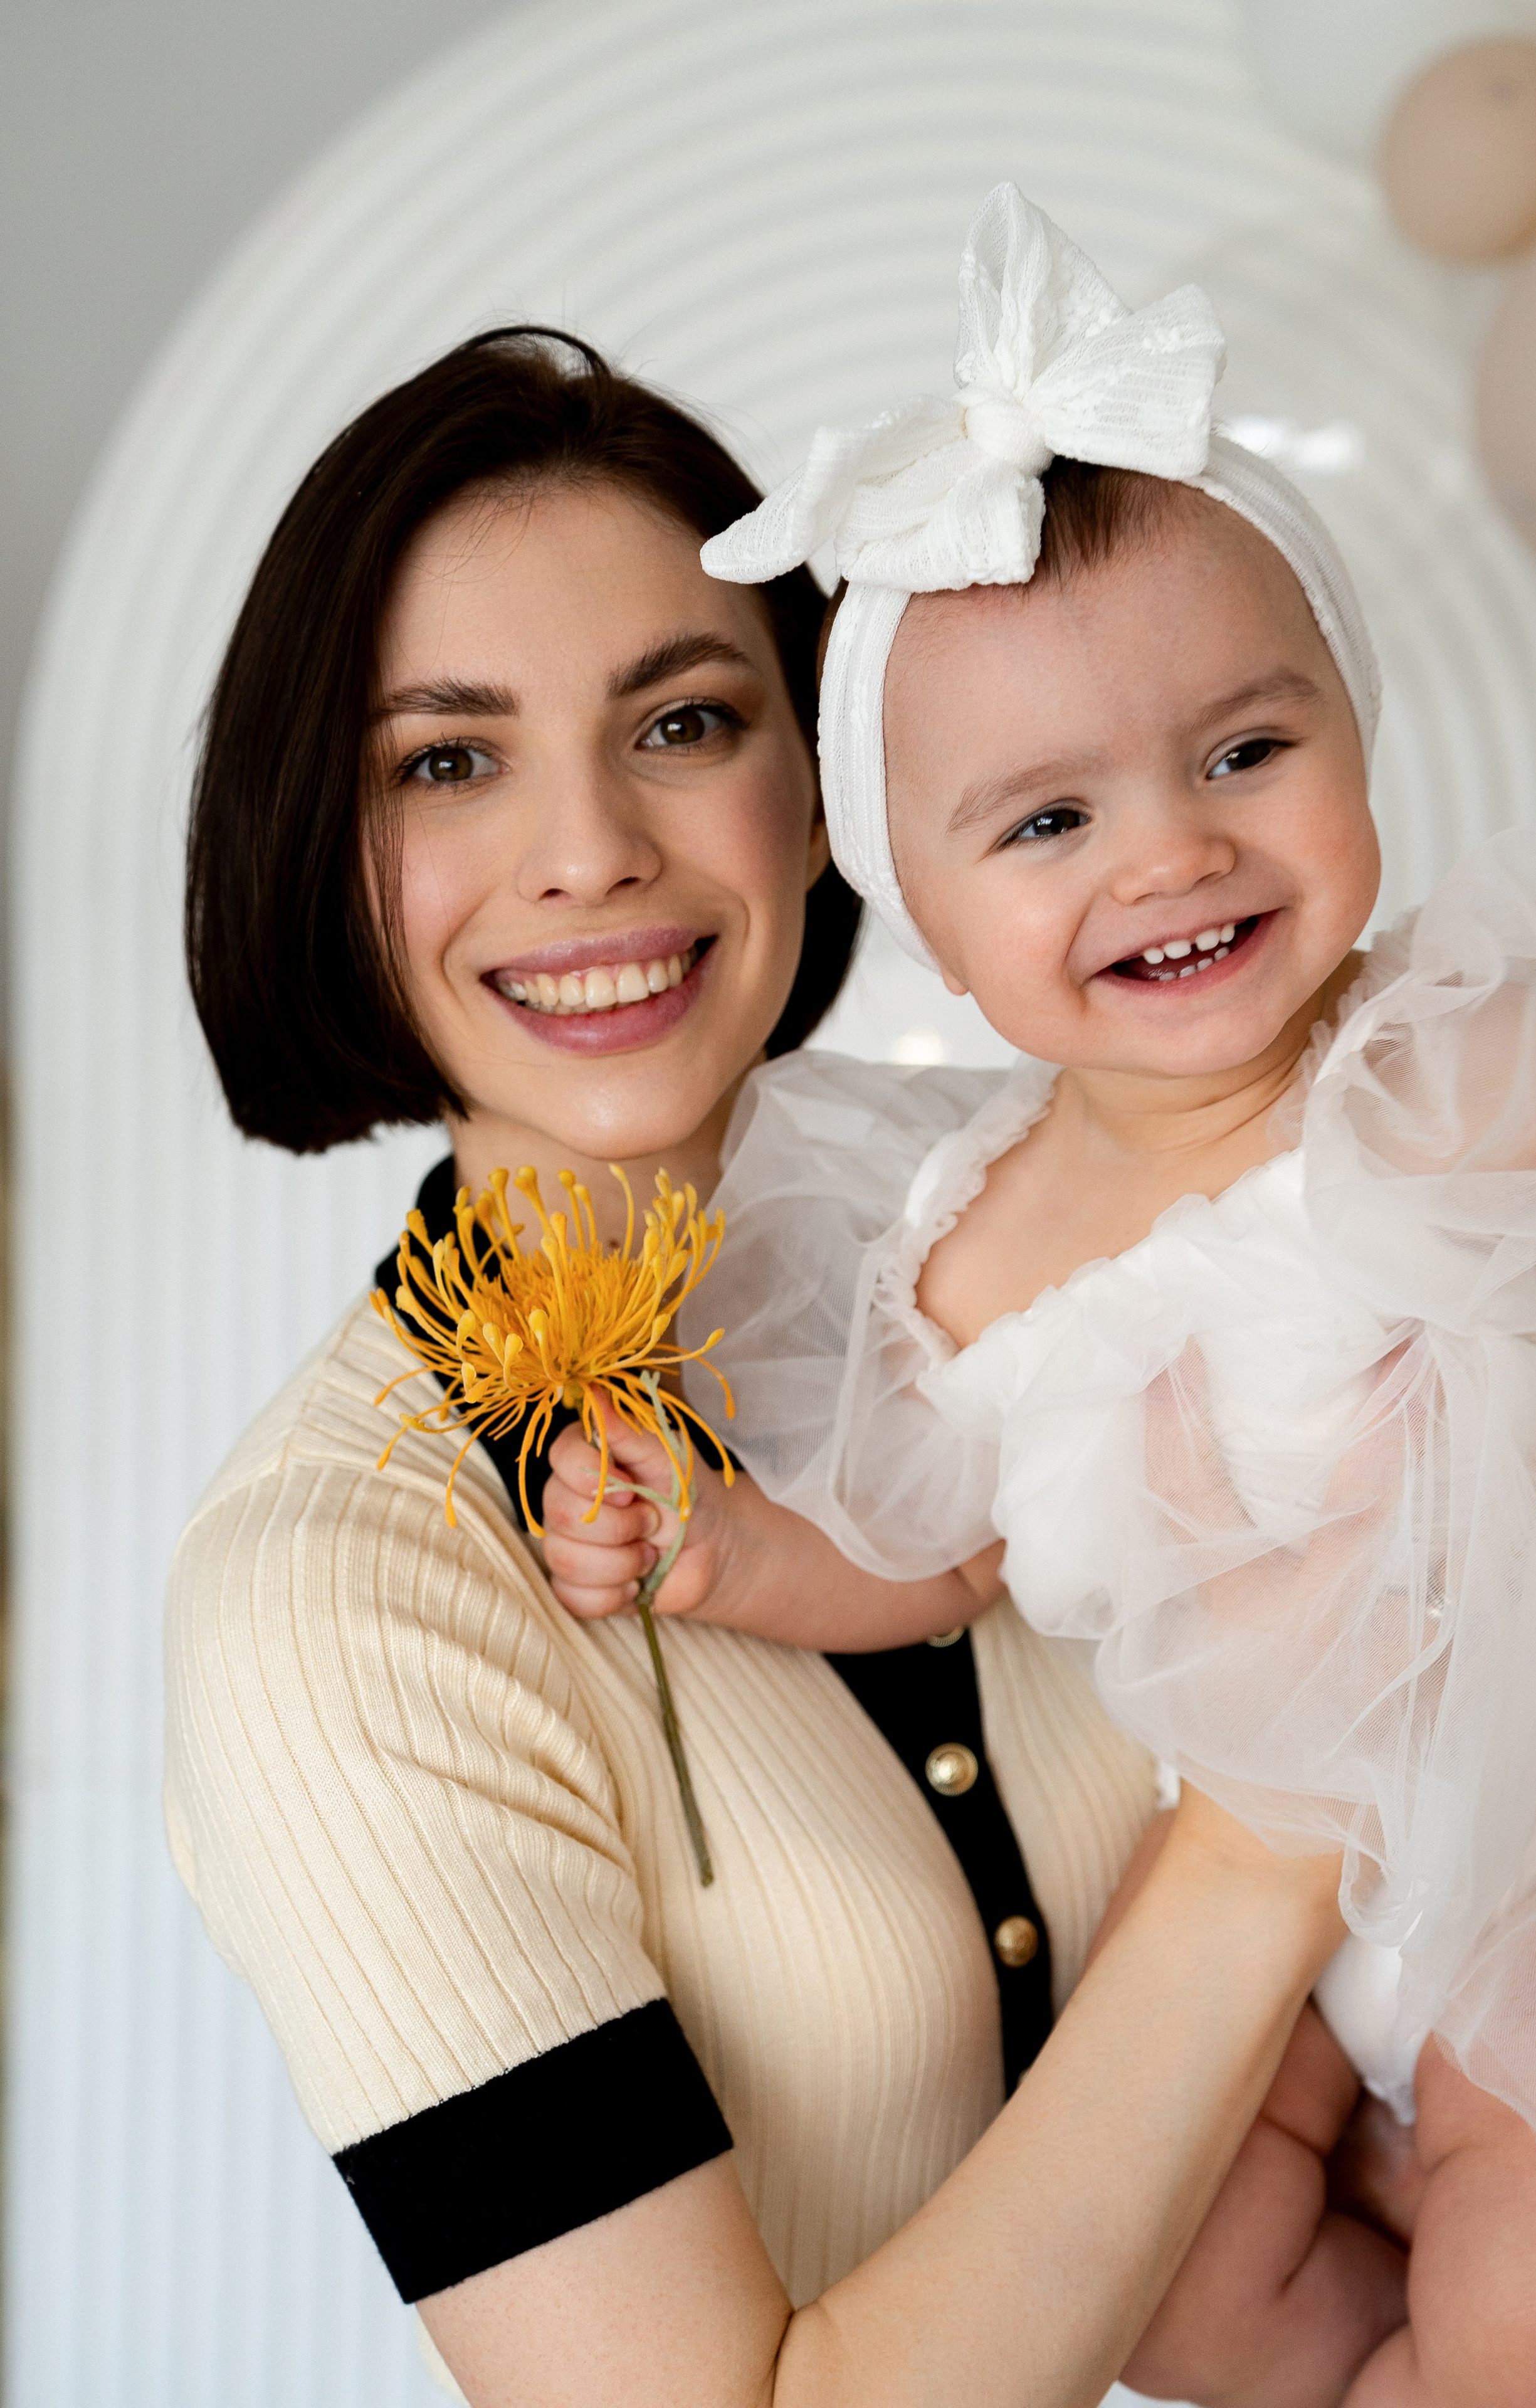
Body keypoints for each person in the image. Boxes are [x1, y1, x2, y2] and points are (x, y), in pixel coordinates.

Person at [165, 322, 1351, 2408]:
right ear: (321, 855)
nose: (594, 850)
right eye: (446, 759)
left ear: (828, 786)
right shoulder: (341, 1600)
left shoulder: (1071, 1194)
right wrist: (1279, 1825)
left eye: (684, 720)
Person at [542, 189, 1536, 2405]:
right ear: (916, 898)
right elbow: (937, 1548)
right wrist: (729, 1550)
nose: (1171, 854)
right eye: (1047, 823)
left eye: (1246, 753)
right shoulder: (977, 1235)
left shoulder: (1455, 1066)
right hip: (1267, 1937)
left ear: (1359, 734)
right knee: (1187, 2281)